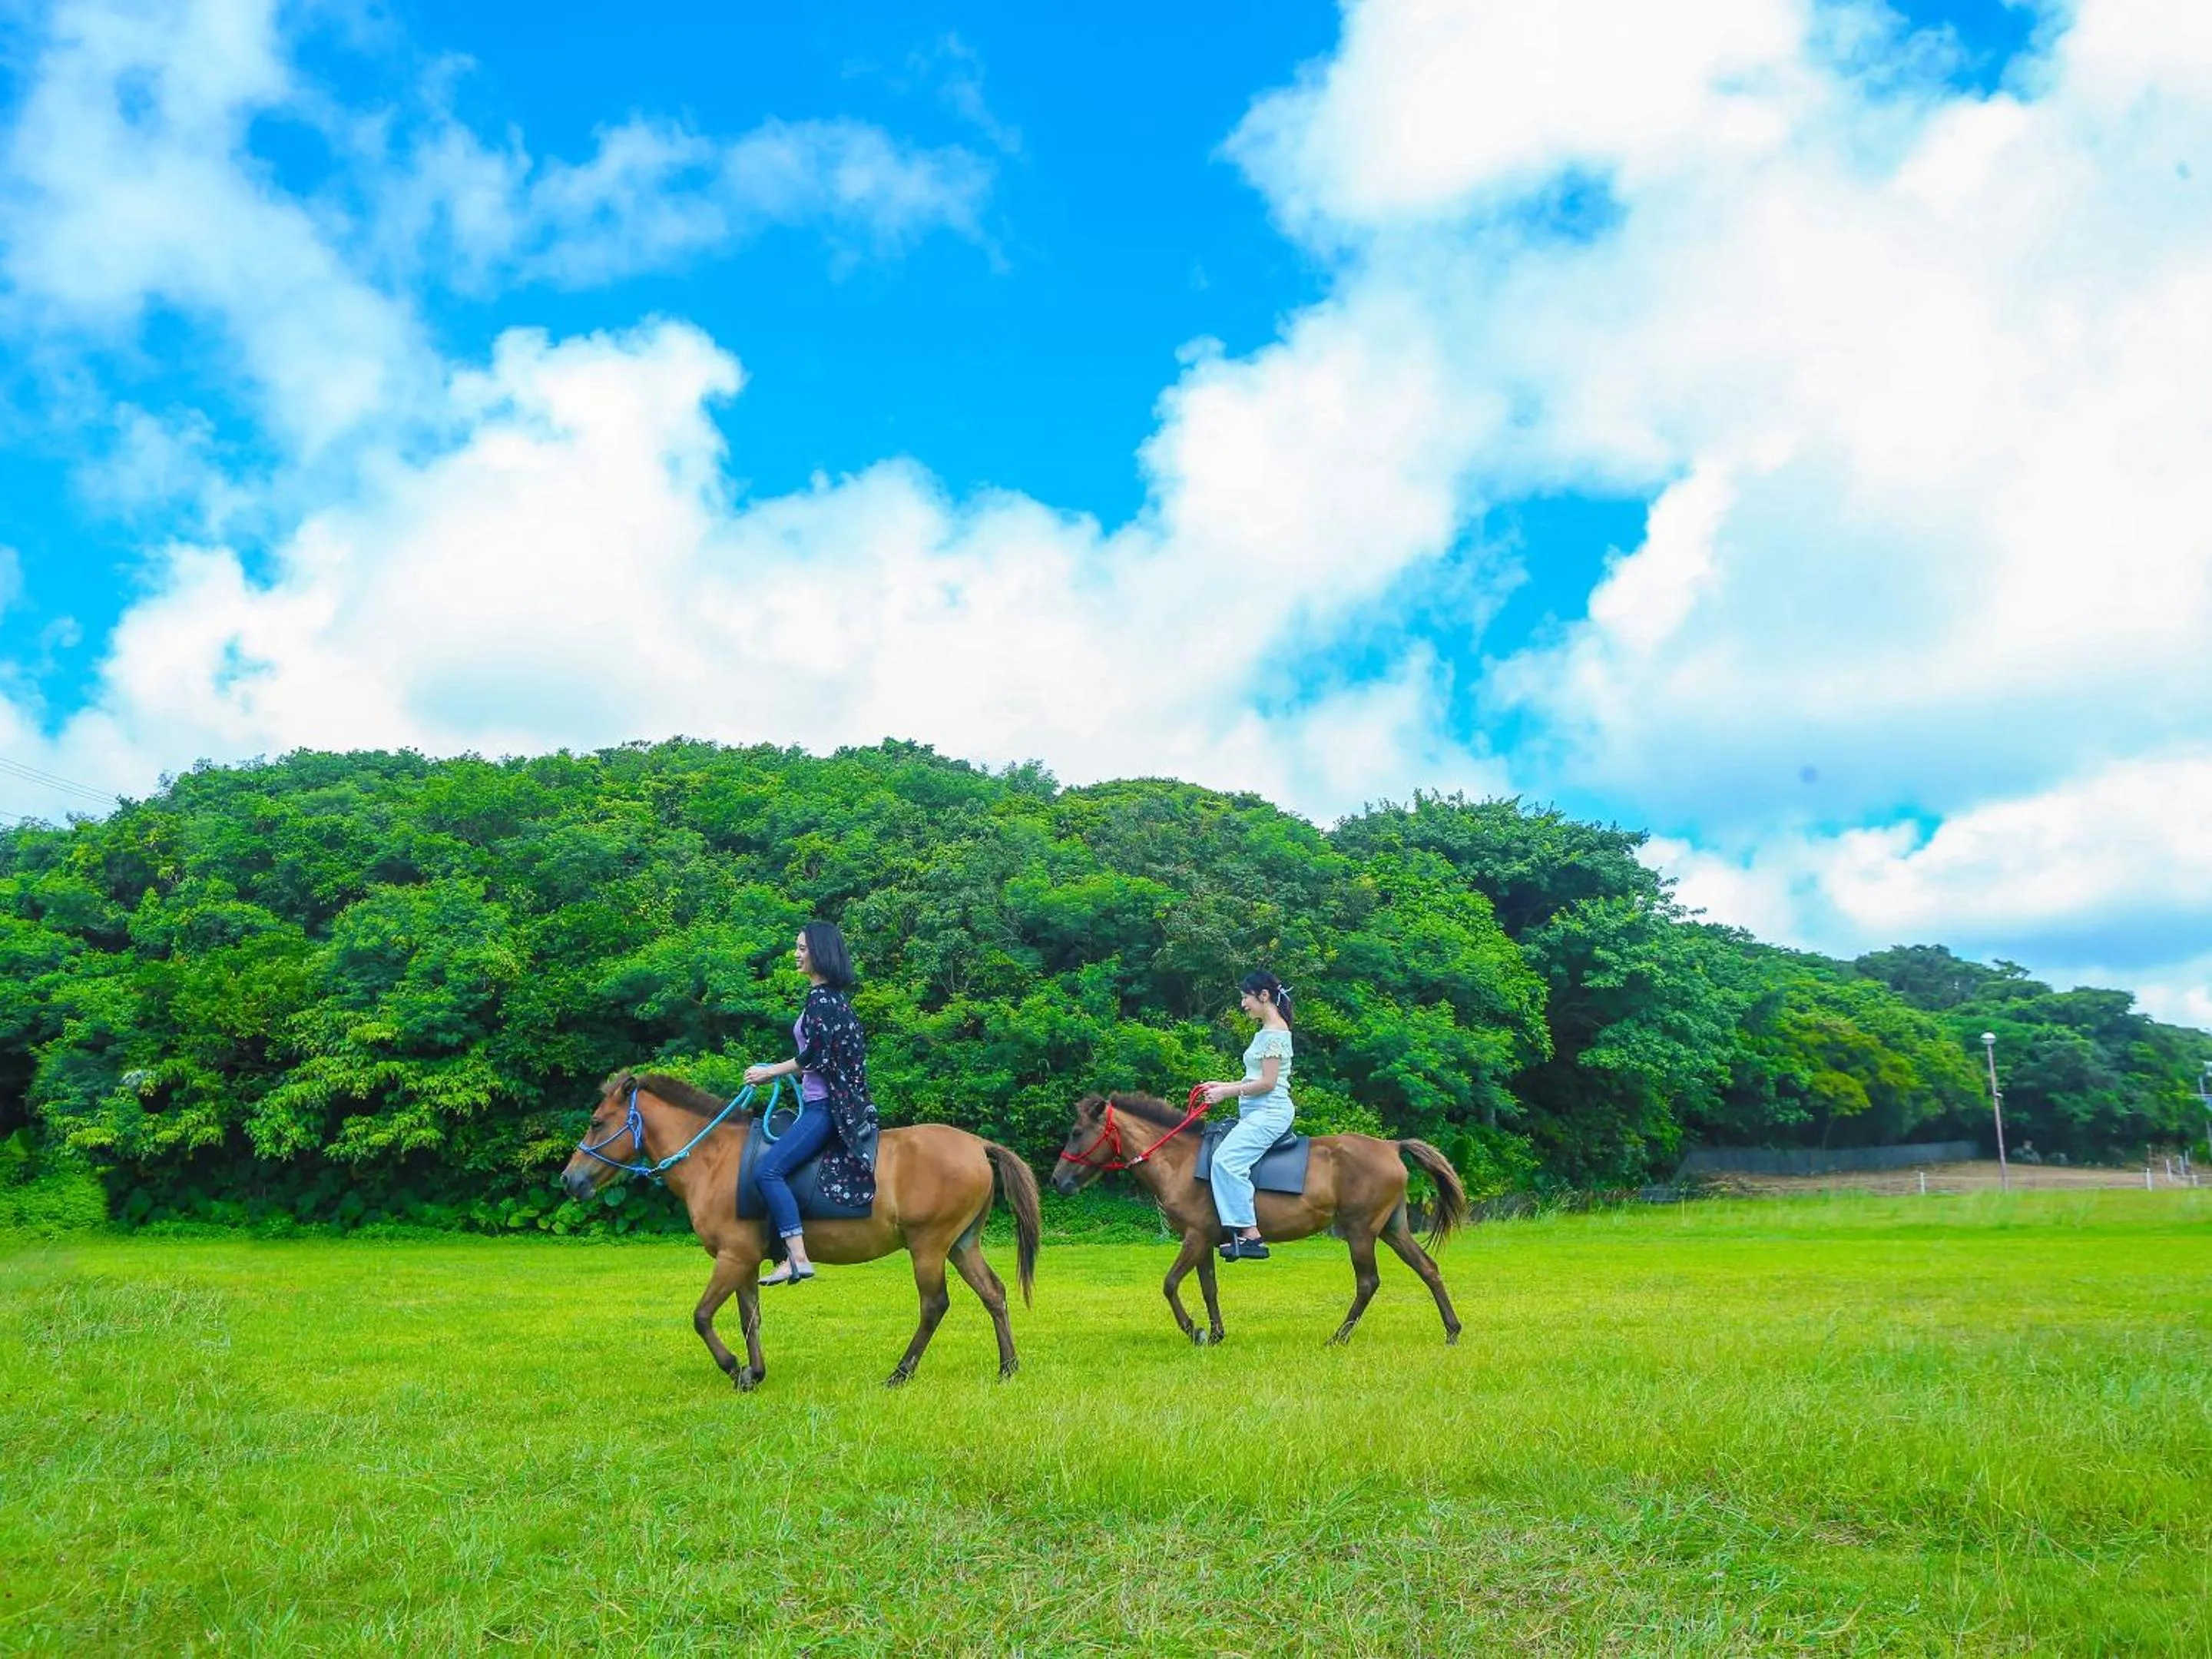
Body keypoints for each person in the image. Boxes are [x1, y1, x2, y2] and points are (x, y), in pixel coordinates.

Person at [741, 922, 880, 1285]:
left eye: (803, 948)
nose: (797, 954)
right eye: (797, 947)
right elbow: (827, 1060)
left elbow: (815, 1056)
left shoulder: (820, 1000)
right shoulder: (837, 1001)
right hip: (828, 1103)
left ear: (821, 952)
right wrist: (784, 1072)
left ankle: (797, 1257)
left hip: (824, 1110)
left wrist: (769, 1072)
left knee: (767, 1172)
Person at [1197, 969, 1296, 1262]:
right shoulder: (1267, 1032)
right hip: (1257, 1111)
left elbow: (1267, 1084)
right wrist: (1222, 1085)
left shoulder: (1275, 1034)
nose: (1243, 1004)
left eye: (1245, 997)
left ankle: (1251, 1236)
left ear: (1263, 996)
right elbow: (1255, 1078)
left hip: (1269, 1112)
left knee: (1226, 1162)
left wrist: (1226, 1094)